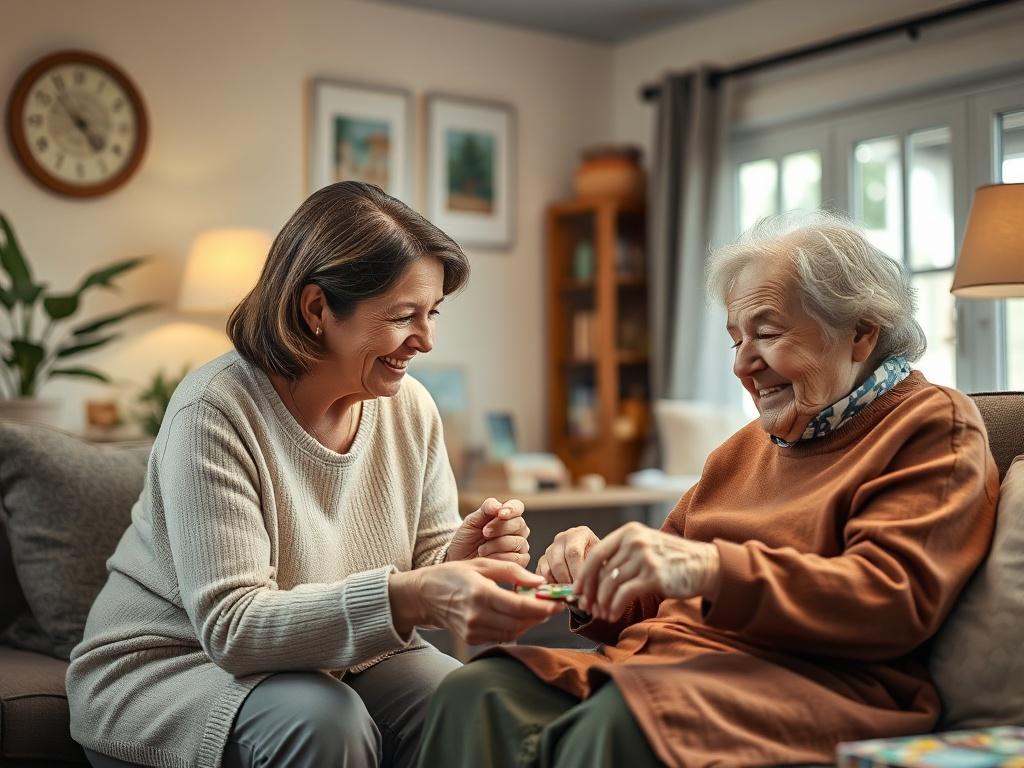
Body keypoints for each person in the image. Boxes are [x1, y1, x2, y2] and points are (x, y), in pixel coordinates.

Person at [417, 210, 999, 768]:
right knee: (477, 689)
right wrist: (593, 574)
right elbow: (657, 591)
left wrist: (711, 570)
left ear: (859, 334)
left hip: (814, 684)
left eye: (766, 334)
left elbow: (892, 599)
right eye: (734, 340)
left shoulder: (928, 427)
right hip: (672, 669)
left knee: (621, 722)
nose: (744, 364)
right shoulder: (743, 450)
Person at [67, 181, 562, 768]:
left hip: (335, 660)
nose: (426, 341)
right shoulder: (214, 410)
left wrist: (459, 560)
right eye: (404, 316)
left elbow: (424, 569)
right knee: (325, 720)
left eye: (432, 314)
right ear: (316, 309)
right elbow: (232, 627)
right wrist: (412, 593)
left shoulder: (411, 408)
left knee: (467, 699)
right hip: (176, 666)